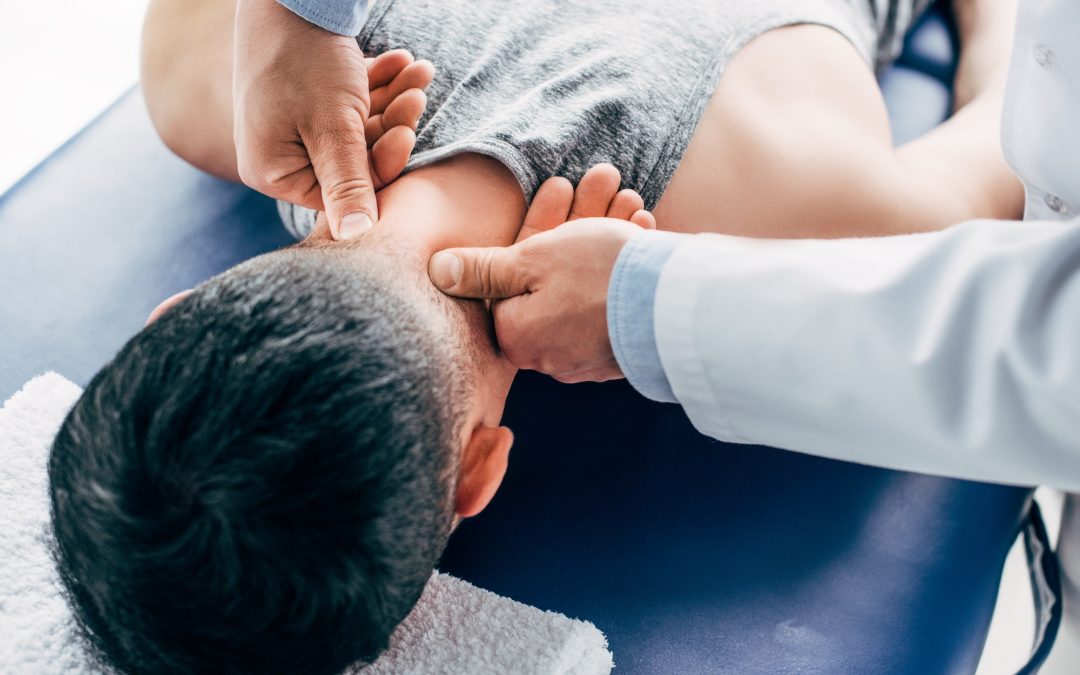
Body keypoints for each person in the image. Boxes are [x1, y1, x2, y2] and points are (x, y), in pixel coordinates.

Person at [52, 0, 1019, 672]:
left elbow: (1015, 123)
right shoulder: (198, 79)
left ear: (478, 474)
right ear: (172, 312)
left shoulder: (810, 233)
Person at [427, 0, 1080, 663]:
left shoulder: (819, 205)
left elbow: (1002, 157)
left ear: (476, 474)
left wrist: (648, 307)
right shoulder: (338, 76)